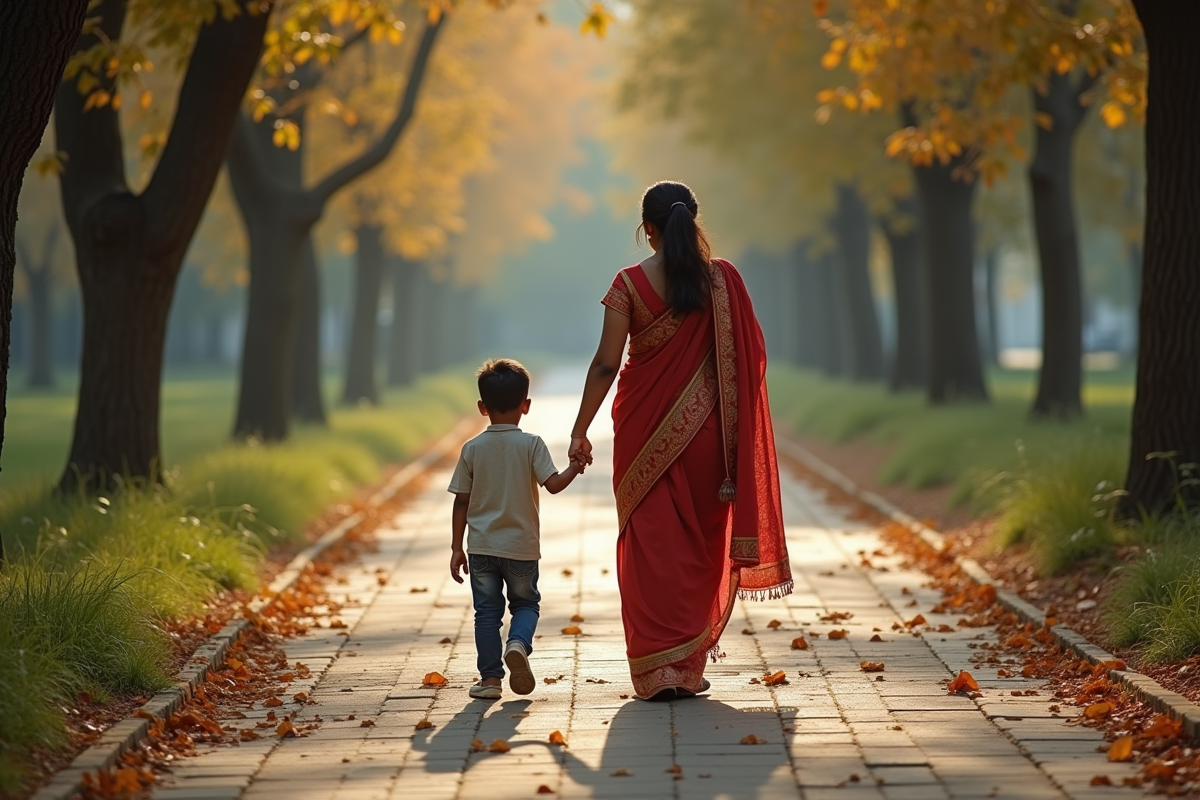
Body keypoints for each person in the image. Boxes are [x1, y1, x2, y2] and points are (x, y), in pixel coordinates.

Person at [568, 180, 793, 701]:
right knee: (699, 545)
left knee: (650, 546)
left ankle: (656, 671)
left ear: (648, 230)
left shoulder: (627, 285)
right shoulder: (722, 281)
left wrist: (580, 428)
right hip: (708, 439)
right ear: (692, 222)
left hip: (642, 430)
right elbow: (752, 357)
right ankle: (686, 668)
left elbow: (605, 364)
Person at [448, 358, 585, 700]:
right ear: (526, 405)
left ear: (482, 407)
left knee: (487, 613)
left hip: (481, 547)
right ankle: (518, 644)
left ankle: (491, 680)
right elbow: (553, 485)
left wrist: (455, 547)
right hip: (521, 547)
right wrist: (574, 467)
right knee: (525, 605)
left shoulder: (472, 448)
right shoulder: (531, 444)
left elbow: (461, 502)